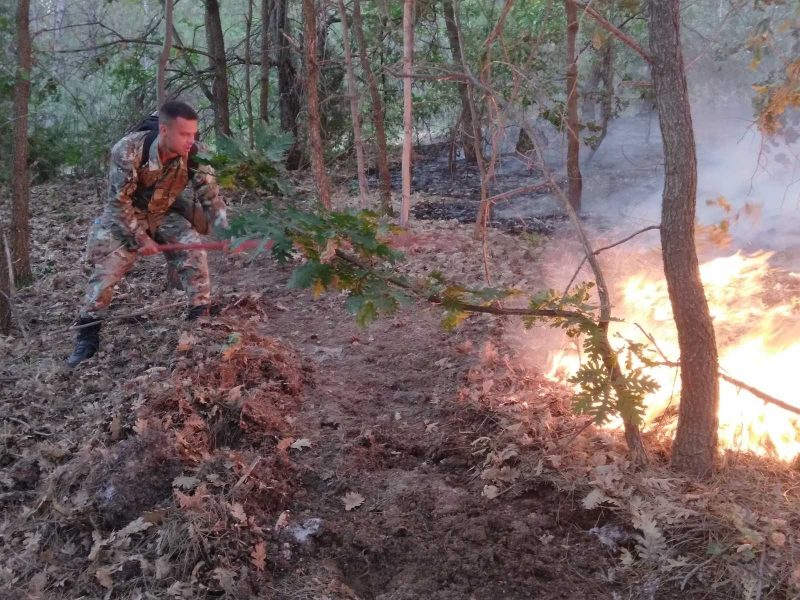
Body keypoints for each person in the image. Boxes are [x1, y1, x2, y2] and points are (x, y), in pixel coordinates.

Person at [67, 100, 228, 367]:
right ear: (164, 131)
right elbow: (119, 204)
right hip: (125, 217)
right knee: (107, 272)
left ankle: (199, 314)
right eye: (184, 134)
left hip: (164, 212)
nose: (191, 141)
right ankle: (88, 334)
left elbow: (211, 199)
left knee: (192, 249)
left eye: (193, 134)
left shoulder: (199, 154)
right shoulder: (129, 150)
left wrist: (228, 232)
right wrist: (140, 239)